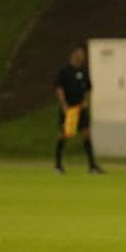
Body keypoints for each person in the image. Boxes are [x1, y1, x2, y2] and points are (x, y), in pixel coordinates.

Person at [54, 45, 102, 175]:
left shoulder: (84, 71)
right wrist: (64, 105)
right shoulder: (64, 71)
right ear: (74, 54)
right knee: (64, 134)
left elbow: (88, 88)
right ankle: (58, 165)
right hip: (69, 110)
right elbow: (59, 88)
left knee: (86, 134)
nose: (82, 56)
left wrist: (86, 101)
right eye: (80, 53)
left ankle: (92, 166)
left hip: (80, 109)